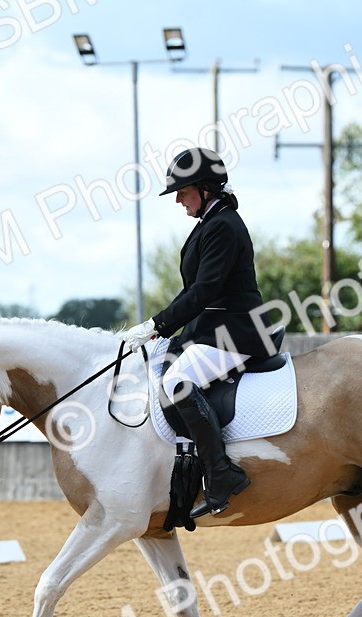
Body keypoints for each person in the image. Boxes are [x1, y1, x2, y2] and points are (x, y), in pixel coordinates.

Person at [121, 147, 272, 518]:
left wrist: (157, 323)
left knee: (177, 383)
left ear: (206, 188)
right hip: (210, 329)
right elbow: (192, 291)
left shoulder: (223, 225)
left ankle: (222, 472)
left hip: (235, 332)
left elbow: (204, 291)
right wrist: (159, 328)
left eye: (183, 191)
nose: (178, 199)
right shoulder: (211, 222)